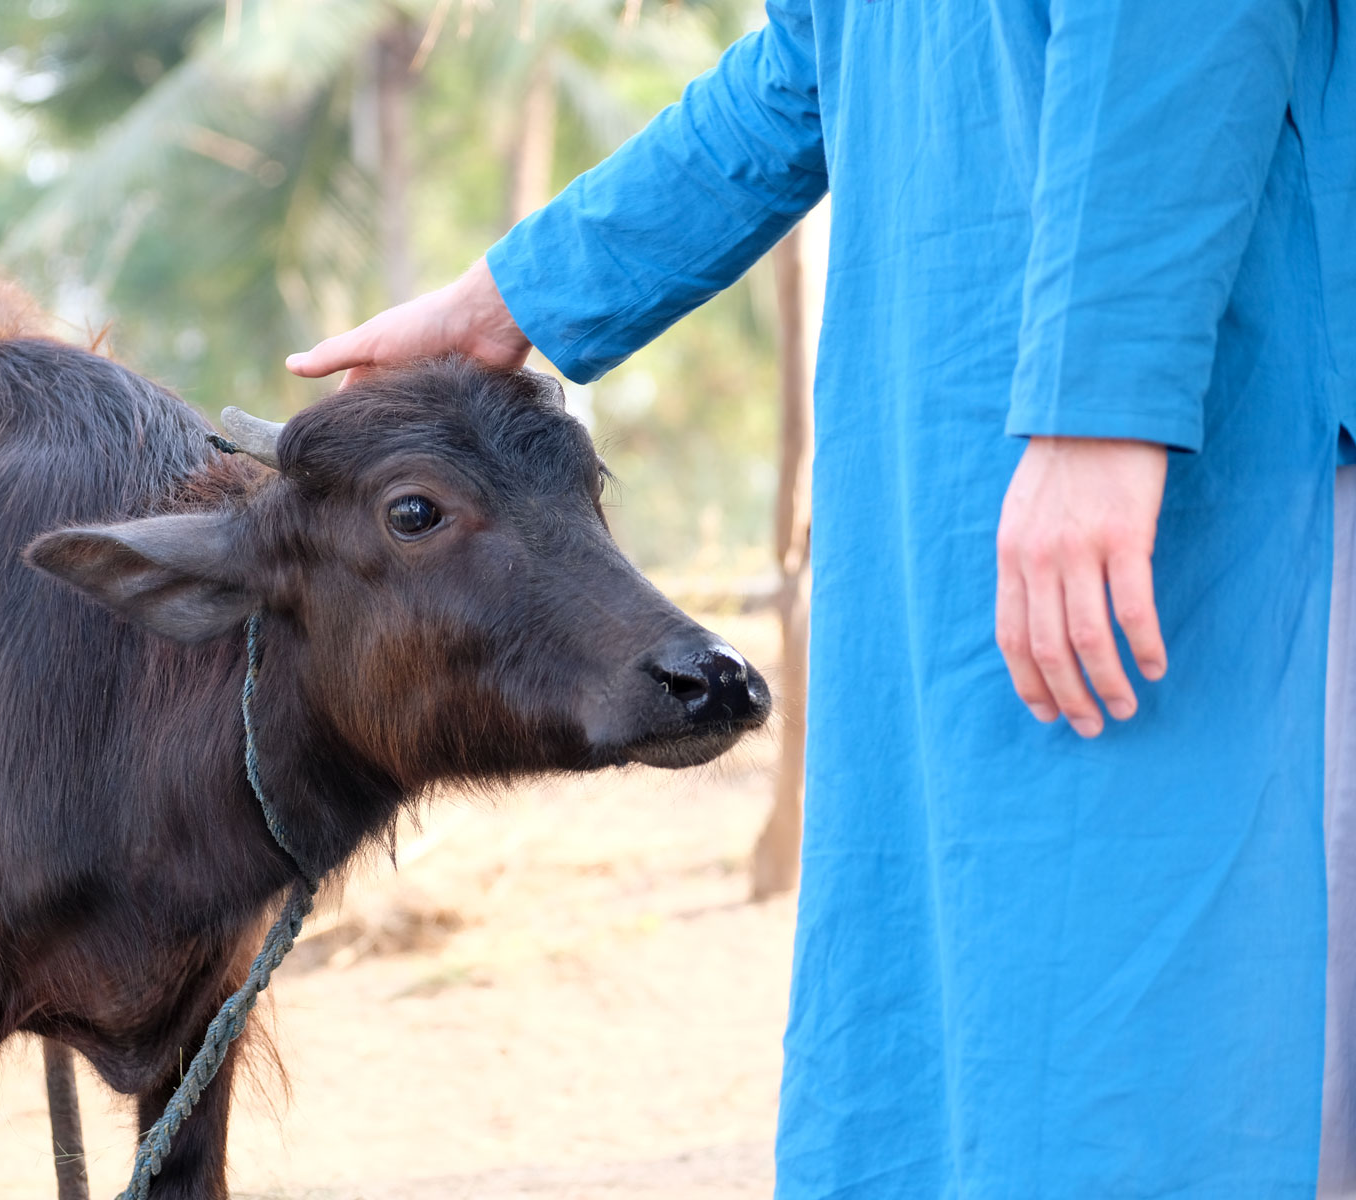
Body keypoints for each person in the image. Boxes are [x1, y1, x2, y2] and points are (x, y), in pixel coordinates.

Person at [287, 2, 1356, 1195]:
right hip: (942, 446)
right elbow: (810, 61)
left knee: (1186, 1041)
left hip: (1223, 447)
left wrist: (1101, 405)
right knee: (972, 1028)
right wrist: (508, 300)